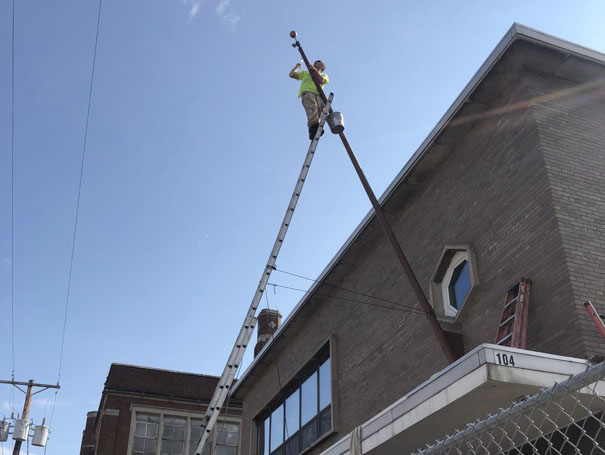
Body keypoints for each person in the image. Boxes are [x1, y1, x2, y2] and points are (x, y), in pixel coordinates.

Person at [289, 60, 329, 139]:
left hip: (318, 95)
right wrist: (297, 67)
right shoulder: (306, 73)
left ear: (322, 66)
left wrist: (314, 71)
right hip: (307, 92)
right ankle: (313, 127)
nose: (315, 63)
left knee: (319, 112)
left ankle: (313, 131)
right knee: (312, 107)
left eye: (318, 62)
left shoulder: (324, 75)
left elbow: (321, 81)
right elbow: (292, 74)